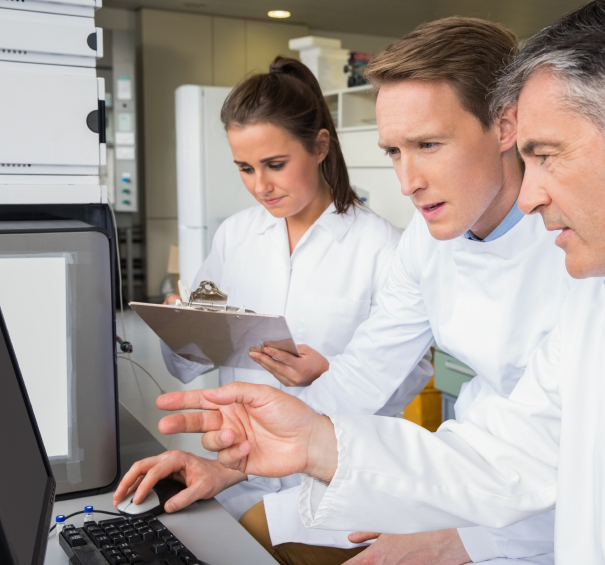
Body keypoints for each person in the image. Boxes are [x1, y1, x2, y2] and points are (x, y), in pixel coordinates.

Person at [148, 0, 605, 563]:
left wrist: (460, 541)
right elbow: (508, 448)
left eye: (544, 154)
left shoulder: (599, 266)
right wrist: (305, 443)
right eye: (394, 151)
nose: (532, 194)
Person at [116, 17, 571, 565]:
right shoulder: (427, 241)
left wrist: (468, 540)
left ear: (505, 125)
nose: (408, 182)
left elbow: (564, 454)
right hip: (465, 474)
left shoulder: (575, 250)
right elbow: (364, 372)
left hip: (544, 514)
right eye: (394, 152)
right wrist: (238, 461)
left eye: (428, 144)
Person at [152, 56, 433, 523]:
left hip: (335, 483)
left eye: (275, 165)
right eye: (245, 168)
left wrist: (328, 373)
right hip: (238, 470)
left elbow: (410, 374)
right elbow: (187, 364)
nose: (260, 186)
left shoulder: (381, 246)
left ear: (320, 146)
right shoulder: (235, 236)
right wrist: (181, 326)